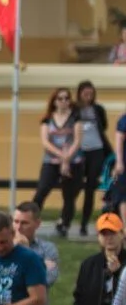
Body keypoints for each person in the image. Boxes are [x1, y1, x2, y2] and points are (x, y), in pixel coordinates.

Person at [33, 87, 82, 234]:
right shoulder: (47, 119)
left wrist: (67, 159)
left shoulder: (75, 118)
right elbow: (45, 142)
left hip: (73, 161)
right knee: (42, 189)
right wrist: (62, 157)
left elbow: (78, 140)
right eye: (60, 98)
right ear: (54, 101)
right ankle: (30, 219)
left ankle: (64, 223)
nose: (64, 101)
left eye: (67, 98)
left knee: (69, 194)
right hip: (51, 161)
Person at [68, 81, 110, 236]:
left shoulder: (98, 109)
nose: (88, 97)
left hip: (96, 151)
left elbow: (103, 126)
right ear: (79, 93)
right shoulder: (73, 109)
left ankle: (84, 224)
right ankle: (66, 218)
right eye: (85, 94)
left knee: (90, 188)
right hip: (79, 151)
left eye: (91, 94)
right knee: (75, 186)